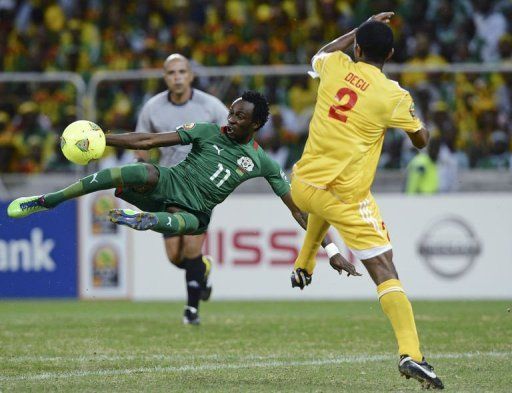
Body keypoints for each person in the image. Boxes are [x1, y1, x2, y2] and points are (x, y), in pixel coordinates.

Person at [7, 91, 359, 325]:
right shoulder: (206, 131)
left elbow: (297, 210)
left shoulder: (262, 162)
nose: (231, 119)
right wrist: (101, 138)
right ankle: (47, 201)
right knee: (138, 170)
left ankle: (148, 221)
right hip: (169, 183)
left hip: (197, 212)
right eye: (231, 113)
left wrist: (330, 249)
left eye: (239, 117)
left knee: (182, 228)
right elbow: (148, 141)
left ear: (255, 125)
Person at [289, 13, 444, 389]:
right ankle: (412, 354)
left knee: (321, 199)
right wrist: (417, 122)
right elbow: (421, 142)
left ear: (357, 47)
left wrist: (359, 28)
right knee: (385, 268)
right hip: (345, 198)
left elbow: (320, 54)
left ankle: (304, 263)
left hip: (301, 184)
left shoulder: (335, 64)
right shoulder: (393, 95)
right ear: (389, 54)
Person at [134, 53, 229, 324]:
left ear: (191, 75)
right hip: (167, 185)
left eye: (181, 72)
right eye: (171, 73)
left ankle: (192, 310)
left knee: (191, 248)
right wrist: (139, 171)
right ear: (165, 77)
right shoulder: (152, 107)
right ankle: (203, 270)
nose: (177, 77)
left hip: (200, 188)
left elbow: (233, 134)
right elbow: (141, 145)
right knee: (175, 257)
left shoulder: (210, 106)